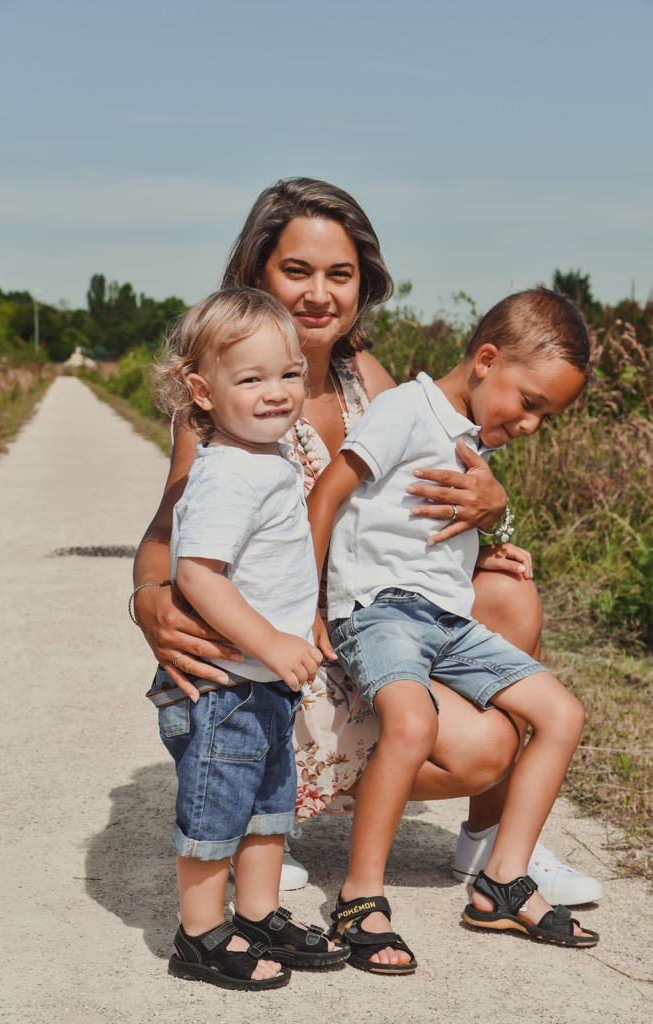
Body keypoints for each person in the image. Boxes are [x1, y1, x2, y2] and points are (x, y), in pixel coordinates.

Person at [131, 177, 603, 910]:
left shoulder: (366, 379)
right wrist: (148, 599)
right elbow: (169, 531)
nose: (319, 293)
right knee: (471, 739)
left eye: (339, 275)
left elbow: (414, 506)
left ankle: (494, 844)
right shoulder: (232, 397)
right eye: (297, 271)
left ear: (362, 285)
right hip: (277, 654)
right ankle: (251, 809)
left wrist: (493, 514)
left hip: (357, 624)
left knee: (509, 593)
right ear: (258, 273)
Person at [306, 288, 600, 971]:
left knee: (561, 713)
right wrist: (312, 606)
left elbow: (417, 525)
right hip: (378, 612)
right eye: (529, 403)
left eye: (545, 416)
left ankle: (502, 878)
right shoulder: (406, 409)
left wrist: (487, 544)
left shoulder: (468, 438)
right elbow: (329, 494)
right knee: (411, 724)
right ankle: (360, 895)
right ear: (486, 360)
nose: (531, 425)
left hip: (444, 620)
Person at [147, 287, 348, 989]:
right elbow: (198, 578)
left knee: (268, 804)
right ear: (202, 392)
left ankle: (258, 913)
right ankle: (200, 934)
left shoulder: (266, 457)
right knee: (217, 806)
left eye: (289, 375)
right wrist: (269, 640)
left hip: (260, 679)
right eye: (251, 379)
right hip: (226, 683)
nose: (276, 394)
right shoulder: (228, 471)